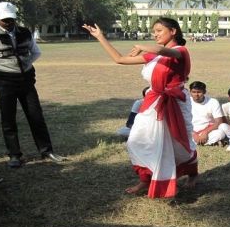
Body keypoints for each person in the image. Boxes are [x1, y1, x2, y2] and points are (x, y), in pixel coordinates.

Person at [82, 17, 197, 198]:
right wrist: (100, 37)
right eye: (154, 31)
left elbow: (162, 50)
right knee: (137, 139)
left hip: (175, 102)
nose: (155, 34)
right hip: (153, 101)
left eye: (159, 30)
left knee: (179, 142)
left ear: (173, 31)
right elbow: (119, 59)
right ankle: (146, 179)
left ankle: (192, 173)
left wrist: (143, 46)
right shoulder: (154, 55)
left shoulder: (180, 51)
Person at [0, 1, 64, 168]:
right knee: (8, 119)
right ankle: (14, 155)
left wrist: (24, 66)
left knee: (36, 115)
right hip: (4, 83)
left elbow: (36, 52)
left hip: (26, 81)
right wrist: (1, 71)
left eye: (11, 19)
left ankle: (46, 150)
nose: (9, 23)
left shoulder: (25, 33)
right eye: (5, 20)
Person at [189, 81, 225, 146]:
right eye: (194, 92)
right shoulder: (186, 102)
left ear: (204, 92)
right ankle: (209, 142)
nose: (196, 95)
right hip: (190, 131)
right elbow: (182, 121)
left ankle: (197, 142)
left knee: (220, 133)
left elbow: (219, 121)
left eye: (199, 92)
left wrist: (205, 132)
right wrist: (193, 133)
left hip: (208, 131)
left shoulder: (213, 102)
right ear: (190, 92)